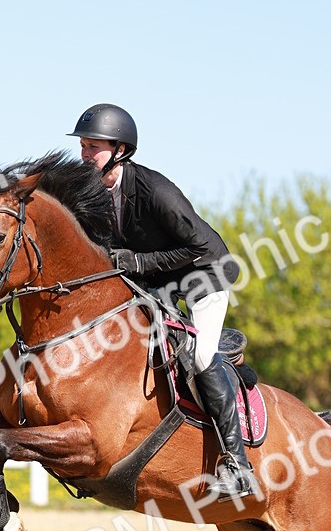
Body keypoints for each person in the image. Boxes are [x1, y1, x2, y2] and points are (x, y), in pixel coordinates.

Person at [68, 103, 256, 501]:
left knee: (200, 357)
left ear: (119, 150)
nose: (84, 154)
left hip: (204, 274)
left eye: (91, 147)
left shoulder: (156, 190)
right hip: (158, 280)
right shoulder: (94, 194)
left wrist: (136, 261)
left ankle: (239, 467)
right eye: (82, 146)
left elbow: (198, 245)